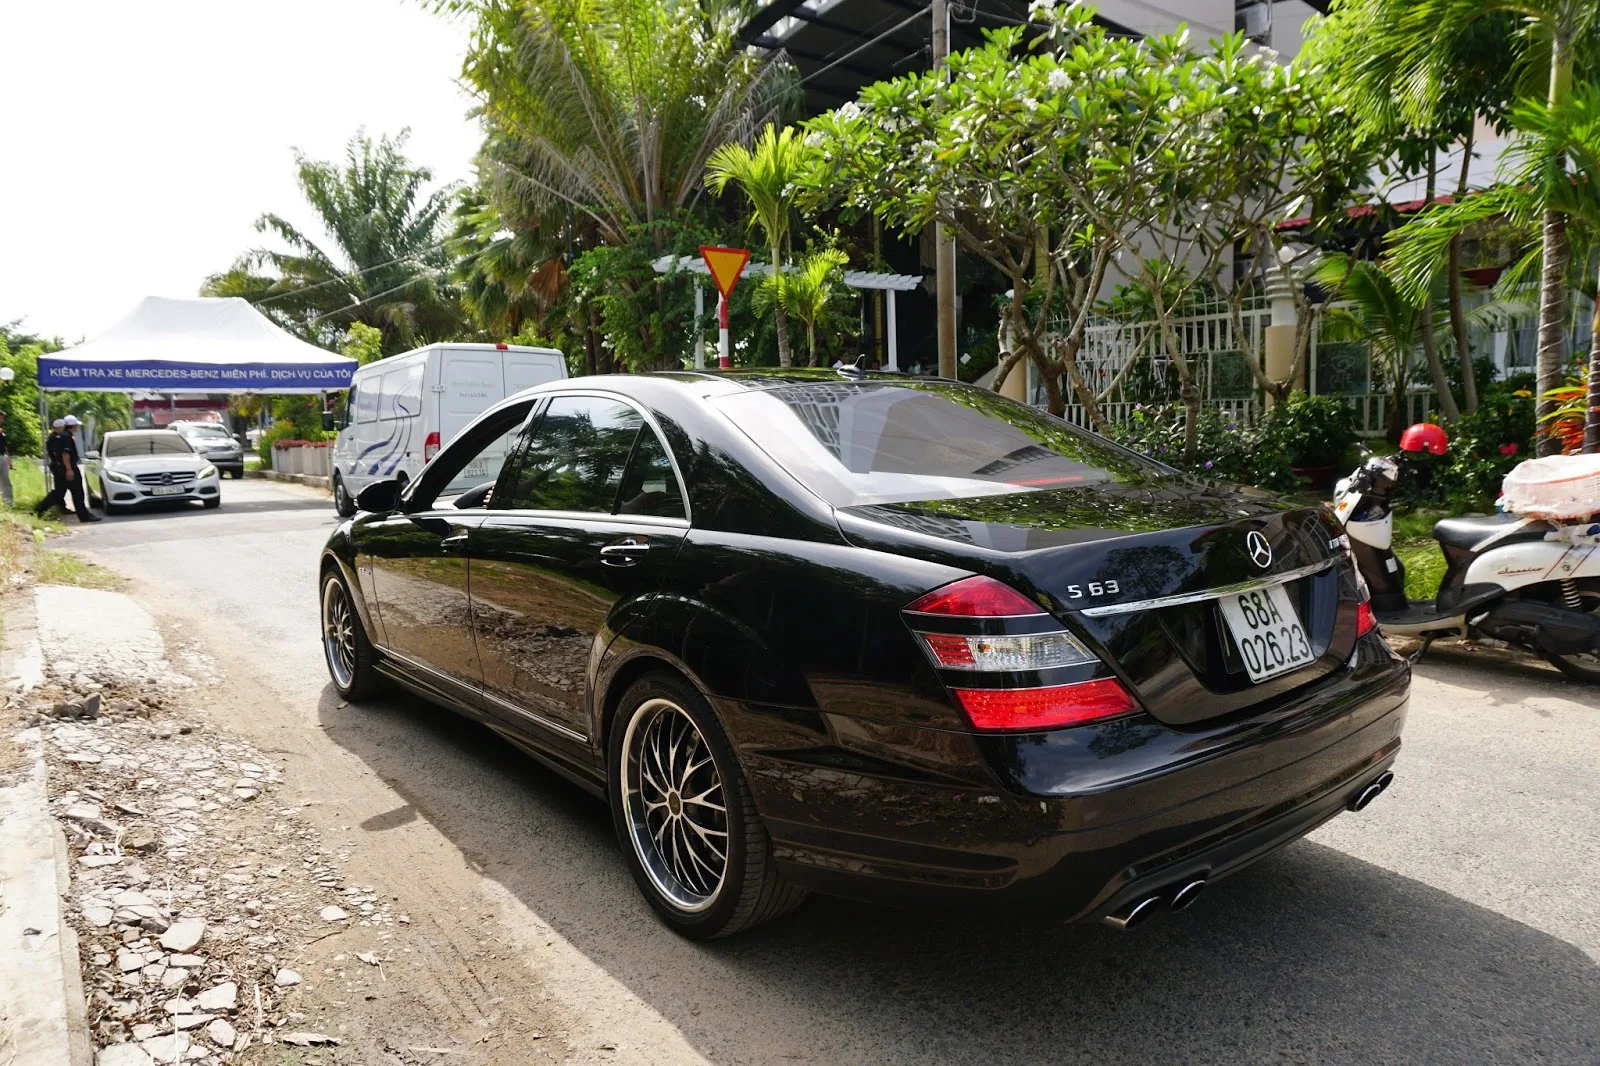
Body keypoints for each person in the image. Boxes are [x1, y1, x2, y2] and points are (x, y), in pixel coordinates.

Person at [34, 416, 100, 522]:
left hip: (60, 467)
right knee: (77, 492)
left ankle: (39, 509)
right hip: (67, 467)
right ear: (73, 426)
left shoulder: (61, 435)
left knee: (59, 492)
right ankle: (84, 516)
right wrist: (69, 469)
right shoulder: (66, 436)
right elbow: (65, 454)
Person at [0, 410, 12, 508]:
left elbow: (5, 446)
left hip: (2, 456)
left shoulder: (1, 431)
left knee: (6, 481)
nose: (2, 420)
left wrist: (9, 459)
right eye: (1, 417)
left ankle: (8, 504)